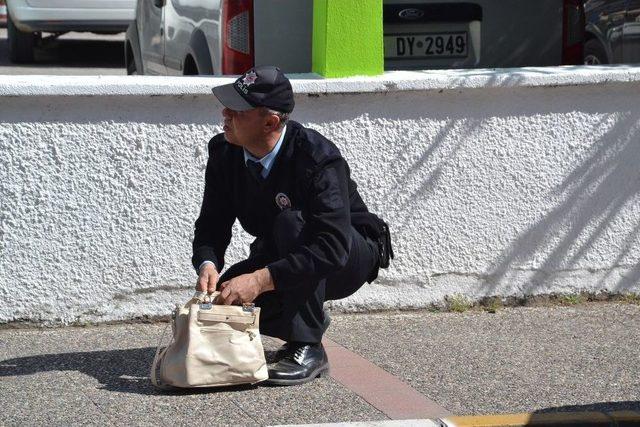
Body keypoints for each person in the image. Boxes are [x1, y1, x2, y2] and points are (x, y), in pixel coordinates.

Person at [192, 65, 391, 386]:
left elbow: (331, 247)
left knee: (291, 224)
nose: (225, 114)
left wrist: (259, 280)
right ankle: (300, 321)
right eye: (226, 106)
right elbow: (212, 222)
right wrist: (208, 262)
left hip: (347, 255)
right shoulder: (224, 153)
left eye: (237, 110)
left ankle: (308, 347)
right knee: (229, 297)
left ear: (270, 121)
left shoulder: (317, 158)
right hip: (287, 248)